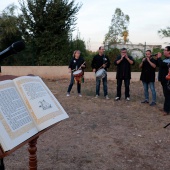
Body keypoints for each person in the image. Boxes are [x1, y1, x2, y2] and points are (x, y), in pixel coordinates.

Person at [157, 46, 170, 115]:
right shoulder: (165, 59)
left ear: (169, 52)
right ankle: (166, 107)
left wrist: (159, 58)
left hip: (168, 80)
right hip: (163, 80)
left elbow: (162, 65)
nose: (163, 51)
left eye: (165, 50)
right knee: (166, 94)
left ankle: (166, 110)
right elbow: (159, 64)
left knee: (167, 95)